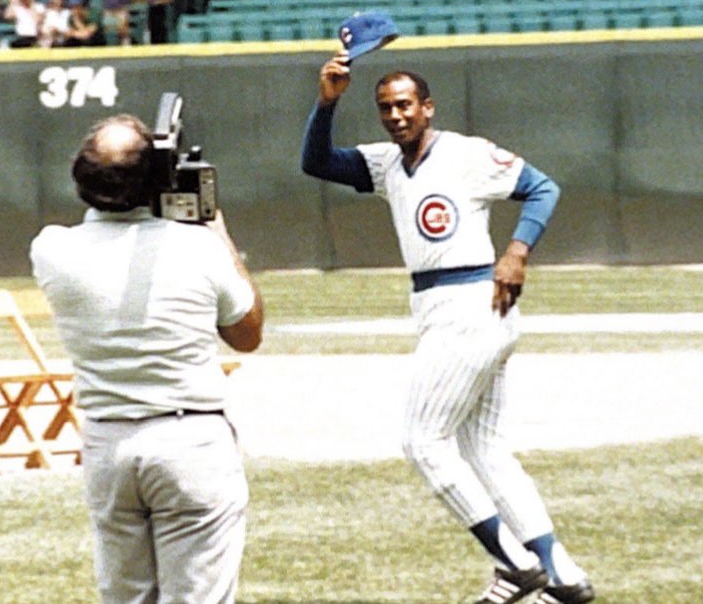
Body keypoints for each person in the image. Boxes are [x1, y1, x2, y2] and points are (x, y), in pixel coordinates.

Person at [299, 43, 592, 604]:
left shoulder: (464, 153)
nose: (396, 116)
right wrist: (327, 104)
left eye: (406, 105)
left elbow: (542, 188)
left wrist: (518, 252)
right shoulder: (388, 163)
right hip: (450, 310)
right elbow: (317, 162)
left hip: (470, 304)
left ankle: (514, 564)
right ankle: (563, 576)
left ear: (428, 107)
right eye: (386, 107)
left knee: (422, 441)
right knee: (484, 449)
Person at [31, 114, 263, 604]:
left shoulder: (51, 249)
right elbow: (247, 333)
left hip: (107, 441)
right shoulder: (198, 246)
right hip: (190, 437)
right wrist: (215, 228)